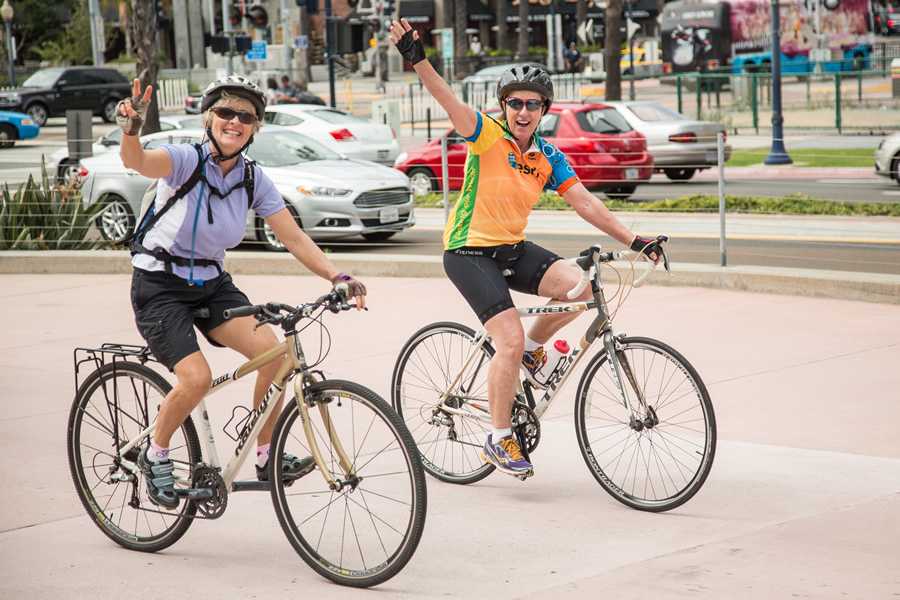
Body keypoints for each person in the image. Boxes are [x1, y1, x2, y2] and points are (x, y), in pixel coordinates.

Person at [389, 19, 664, 479]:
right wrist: (418, 60)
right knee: (508, 339)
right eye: (514, 102)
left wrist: (636, 240)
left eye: (532, 104)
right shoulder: (485, 134)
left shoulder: (549, 156)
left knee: (579, 287)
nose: (522, 110)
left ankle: (534, 353)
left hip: (512, 248)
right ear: (503, 107)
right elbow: (449, 101)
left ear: (543, 111)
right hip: (469, 252)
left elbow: (585, 202)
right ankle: (498, 438)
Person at [115, 75, 367, 509]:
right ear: (209, 118)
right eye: (225, 112)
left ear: (254, 127)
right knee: (197, 377)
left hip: (212, 285)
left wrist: (336, 276)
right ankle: (155, 453)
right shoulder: (184, 160)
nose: (234, 121)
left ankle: (266, 456)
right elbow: (137, 161)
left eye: (245, 116)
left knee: (275, 357)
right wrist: (130, 130)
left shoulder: (253, 178)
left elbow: (293, 237)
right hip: (160, 286)